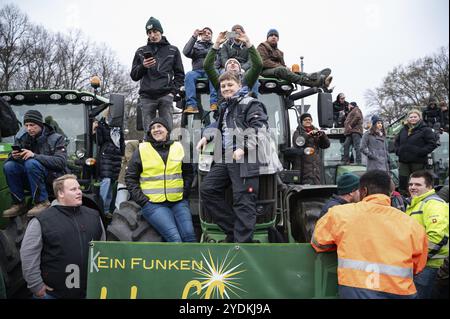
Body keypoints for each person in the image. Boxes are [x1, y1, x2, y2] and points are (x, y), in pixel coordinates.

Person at [311, 170, 428, 299]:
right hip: (400, 292)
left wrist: (341, 244)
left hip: (356, 290)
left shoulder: (339, 214)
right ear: (389, 193)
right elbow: (418, 265)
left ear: (364, 191)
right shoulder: (412, 225)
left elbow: (318, 243)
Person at [197, 71, 275, 243]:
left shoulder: (250, 104)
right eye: (223, 86)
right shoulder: (226, 107)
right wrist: (206, 136)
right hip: (227, 157)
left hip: (245, 158)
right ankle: (234, 231)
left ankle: (243, 245)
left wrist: (244, 148)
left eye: (230, 85)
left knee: (243, 201)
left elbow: (260, 129)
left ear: (239, 85)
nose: (226, 88)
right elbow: (219, 127)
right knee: (207, 189)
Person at [20, 174, 105, 299]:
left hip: (88, 292)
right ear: (60, 193)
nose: (79, 192)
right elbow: (28, 255)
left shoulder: (94, 215)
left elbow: (102, 247)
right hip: (52, 294)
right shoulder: (42, 220)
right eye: (73, 189)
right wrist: (37, 287)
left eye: (79, 188)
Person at [125, 117, 196, 242]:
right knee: (175, 239)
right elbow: (130, 178)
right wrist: (143, 201)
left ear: (167, 130)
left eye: (159, 127)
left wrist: (184, 193)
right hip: (153, 204)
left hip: (178, 201)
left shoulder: (180, 147)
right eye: (152, 128)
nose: (156, 130)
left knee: (189, 236)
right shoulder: (141, 150)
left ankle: (193, 261)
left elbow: (188, 172)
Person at [3, 110, 67, 218]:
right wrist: (13, 157)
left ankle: (42, 202)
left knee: (31, 163)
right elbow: (14, 163)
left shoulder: (57, 138)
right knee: (9, 166)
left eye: (32, 125)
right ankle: (19, 203)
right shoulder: (22, 139)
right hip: (31, 178)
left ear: (40, 124)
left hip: (52, 179)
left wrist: (34, 155)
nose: (29, 128)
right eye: (26, 125)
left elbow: (60, 162)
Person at [130, 16, 185, 130]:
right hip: (146, 96)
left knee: (167, 132)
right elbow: (134, 76)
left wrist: (172, 93)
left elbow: (180, 75)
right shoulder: (141, 51)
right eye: (149, 32)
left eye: (155, 31)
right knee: (148, 133)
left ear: (161, 31)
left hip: (166, 95)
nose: (152, 35)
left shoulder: (173, 50)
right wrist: (143, 66)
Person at [405, 170, 449, 299]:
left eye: (418, 185)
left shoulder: (433, 204)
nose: (412, 187)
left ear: (429, 187)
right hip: (423, 265)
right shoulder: (416, 204)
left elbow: (437, 236)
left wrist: (419, 260)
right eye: (411, 184)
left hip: (431, 266)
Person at [203, 29, 262, 110]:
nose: (232, 63)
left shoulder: (246, 81)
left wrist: (248, 43)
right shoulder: (220, 82)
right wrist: (216, 44)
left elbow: (258, 65)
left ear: (240, 69)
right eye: (229, 63)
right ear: (225, 69)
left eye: (235, 63)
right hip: (223, 120)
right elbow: (207, 66)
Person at [257, 28, 332, 89]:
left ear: (278, 39)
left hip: (277, 71)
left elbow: (282, 65)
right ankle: (312, 83)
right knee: (282, 70)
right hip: (264, 72)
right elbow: (263, 62)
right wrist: (282, 67)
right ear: (267, 38)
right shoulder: (262, 47)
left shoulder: (280, 52)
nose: (274, 37)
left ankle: (317, 78)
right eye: (271, 35)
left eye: (276, 36)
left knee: (294, 71)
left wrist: (287, 68)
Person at [394, 109, 437, 195]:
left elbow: (432, 144)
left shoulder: (425, 130)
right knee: (403, 181)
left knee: (417, 181)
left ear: (419, 118)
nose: (413, 118)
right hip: (404, 161)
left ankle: (419, 198)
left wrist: (421, 152)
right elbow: (396, 142)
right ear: (408, 119)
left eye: (415, 117)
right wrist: (398, 151)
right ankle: (404, 199)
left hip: (418, 162)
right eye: (411, 117)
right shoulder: (403, 130)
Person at [92, 109, 125, 218]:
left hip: (116, 157)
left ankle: (106, 211)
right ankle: (99, 207)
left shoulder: (119, 127)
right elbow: (99, 141)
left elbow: (121, 143)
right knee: (106, 181)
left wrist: (123, 155)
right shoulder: (101, 124)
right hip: (106, 155)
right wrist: (95, 131)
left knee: (112, 184)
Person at [183, 27, 218, 114]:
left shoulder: (216, 47)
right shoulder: (195, 46)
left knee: (216, 74)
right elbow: (186, 52)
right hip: (197, 71)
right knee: (189, 75)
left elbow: (219, 60)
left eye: (209, 33)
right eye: (204, 33)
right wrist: (194, 37)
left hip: (210, 71)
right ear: (200, 35)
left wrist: (214, 67)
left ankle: (214, 103)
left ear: (212, 36)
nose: (207, 34)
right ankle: (192, 105)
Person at [291, 113, 330, 184]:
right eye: (305, 120)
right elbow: (298, 143)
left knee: (316, 186)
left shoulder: (316, 131)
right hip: (303, 167)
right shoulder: (298, 132)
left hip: (315, 168)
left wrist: (322, 136)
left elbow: (326, 145)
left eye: (309, 119)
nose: (308, 121)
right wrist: (308, 135)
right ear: (301, 122)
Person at [114, 139, 141, 213]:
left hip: (140, 182)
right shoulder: (132, 144)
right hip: (124, 181)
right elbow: (130, 158)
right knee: (121, 203)